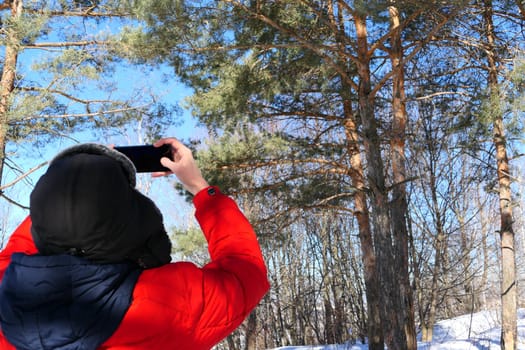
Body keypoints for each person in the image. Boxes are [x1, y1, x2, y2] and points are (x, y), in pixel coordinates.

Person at [0, 137, 270, 350]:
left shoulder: (5, 286)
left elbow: (30, 239)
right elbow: (245, 271)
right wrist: (200, 188)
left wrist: (72, 185)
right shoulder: (172, 304)